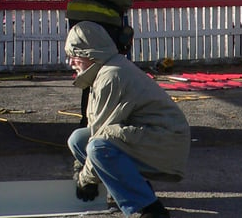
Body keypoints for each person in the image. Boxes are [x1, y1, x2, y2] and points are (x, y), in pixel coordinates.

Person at [66, 21, 190, 218]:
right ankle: (136, 189)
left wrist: (85, 179)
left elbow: (101, 134)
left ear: (90, 53)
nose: (71, 63)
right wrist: (81, 169)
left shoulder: (112, 76)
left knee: (98, 148)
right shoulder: (103, 71)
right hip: (148, 135)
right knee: (78, 139)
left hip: (165, 140)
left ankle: (151, 208)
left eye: (74, 56)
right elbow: (94, 126)